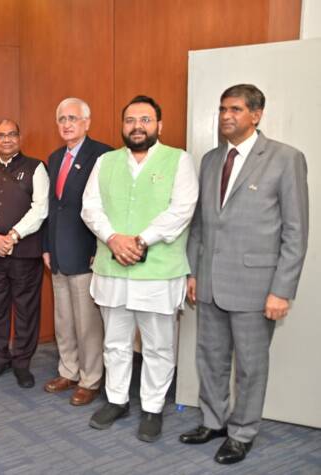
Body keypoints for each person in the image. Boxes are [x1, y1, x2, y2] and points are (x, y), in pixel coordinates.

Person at [181, 84, 309, 465]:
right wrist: (192, 272)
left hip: (256, 287)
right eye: (222, 109)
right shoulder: (210, 160)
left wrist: (282, 290)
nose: (226, 116)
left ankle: (242, 433)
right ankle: (213, 421)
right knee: (210, 358)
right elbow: (200, 224)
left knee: (251, 367)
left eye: (235, 109)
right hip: (209, 281)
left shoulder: (285, 158)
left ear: (256, 114)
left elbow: (296, 232)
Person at [81, 95, 198, 442]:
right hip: (112, 268)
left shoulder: (179, 160)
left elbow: (182, 209)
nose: (137, 126)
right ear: (123, 125)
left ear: (159, 125)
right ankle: (117, 400)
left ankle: (152, 407)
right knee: (115, 342)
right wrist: (113, 238)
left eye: (145, 120)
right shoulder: (105, 161)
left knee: (158, 345)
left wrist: (141, 240)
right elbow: (90, 207)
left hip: (158, 272)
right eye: (131, 120)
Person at [42, 98, 113, 405]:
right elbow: (52, 207)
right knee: (64, 319)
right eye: (62, 119)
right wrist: (46, 246)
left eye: (73, 118)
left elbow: (108, 206)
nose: (67, 124)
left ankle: (90, 378)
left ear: (87, 122)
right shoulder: (55, 157)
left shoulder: (103, 155)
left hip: (86, 252)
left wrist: (100, 247)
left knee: (87, 323)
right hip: (57, 252)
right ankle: (68, 370)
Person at [0, 119, 49, 388]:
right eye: (1, 135)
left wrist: (13, 236)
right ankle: (0, 359)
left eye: (12, 134)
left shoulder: (36, 168)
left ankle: (22, 363)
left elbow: (40, 208)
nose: (6, 139)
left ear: (19, 137)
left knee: (26, 310)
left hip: (24, 253)